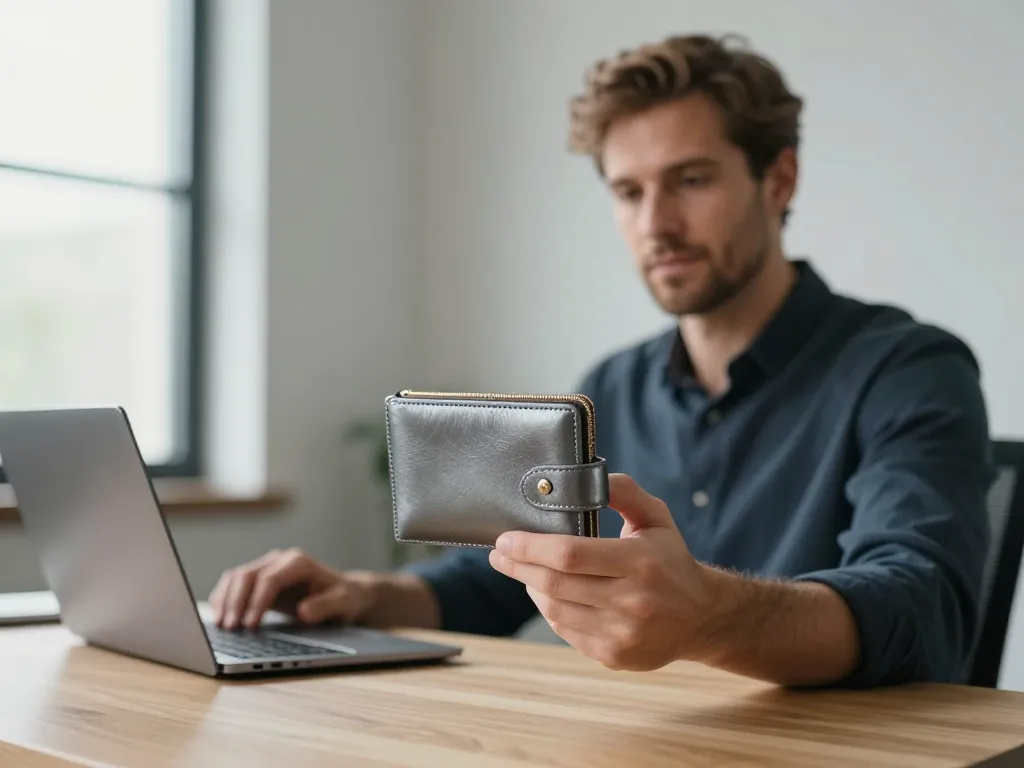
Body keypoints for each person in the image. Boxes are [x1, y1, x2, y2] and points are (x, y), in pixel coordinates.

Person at [209, 33, 993, 688]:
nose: (657, 224)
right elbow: (503, 573)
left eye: (690, 180)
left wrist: (711, 613)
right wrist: (359, 593)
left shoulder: (910, 369)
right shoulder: (611, 387)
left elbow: (921, 606)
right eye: (628, 191)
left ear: (777, 178)